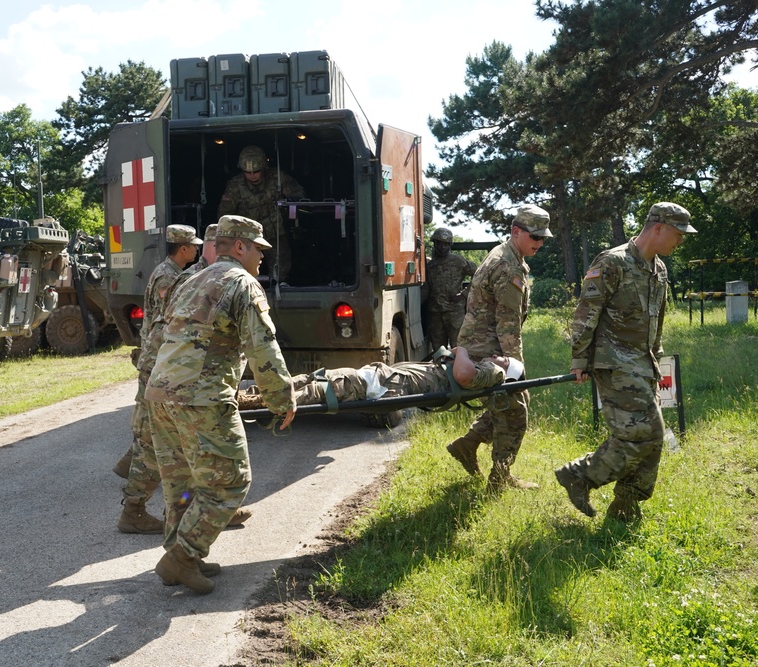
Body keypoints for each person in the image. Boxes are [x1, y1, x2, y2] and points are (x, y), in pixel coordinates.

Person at [145, 215, 296, 594]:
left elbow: (163, 333)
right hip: (201, 398)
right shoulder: (242, 283)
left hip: (161, 394)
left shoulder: (192, 279)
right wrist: (281, 398)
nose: (262, 257)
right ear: (240, 247)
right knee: (231, 481)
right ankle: (181, 558)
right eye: (258, 249)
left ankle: (184, 555)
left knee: (182, 482)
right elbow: (261, 346)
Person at [554, 202, 696, 522]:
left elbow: (656, 320)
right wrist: (579, 359)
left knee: (650, 438)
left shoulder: (659, 269)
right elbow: (586, 312)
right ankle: (580, 475)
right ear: (658, 228)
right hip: (613, 360)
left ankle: (625, 508)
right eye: (678, 233)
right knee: (646, 431)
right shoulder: (612, 262)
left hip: (644, 364)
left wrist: (656, 361)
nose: (681, 241)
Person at [447, 204, 553, 492]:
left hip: (482, 345)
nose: (540, 243)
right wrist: (515, 366)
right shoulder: (507, 265)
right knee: (516, 411)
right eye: (535, 237)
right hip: (488, 350)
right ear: (516, 231)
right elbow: (507, 322)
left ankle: (466, 445)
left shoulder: (508, 255)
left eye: (543, 238)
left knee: (506, 407)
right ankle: (500, 478)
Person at [115, 224, 202, 534]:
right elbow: (171, 323)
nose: (197, 249)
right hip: (160, 365)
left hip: (159, 362)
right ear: (183, 248)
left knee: (161, 440)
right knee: (156, 442)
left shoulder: (167, 272)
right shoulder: (170, 277)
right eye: (194, 246)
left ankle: (189, 506)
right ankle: (137, 509)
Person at [237, 346, 517, 411]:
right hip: (386, 380)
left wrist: (463, 351)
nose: (497, 356)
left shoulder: (495, 375)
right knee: (322, 378)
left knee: (324, 388)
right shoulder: (487, 372)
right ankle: (249, 396)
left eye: (503, 358)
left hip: (387, 384)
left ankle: (253, 401)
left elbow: (464, 375)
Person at [216, 145, 306, 281]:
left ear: (264, 167)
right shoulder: (235, 185)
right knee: (243, 272)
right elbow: (225, 215)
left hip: (275, 235)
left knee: (280, 271)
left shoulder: (278, 178)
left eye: (256, 171)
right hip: (246, 238)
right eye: (247, 172)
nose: (252, 176)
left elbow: (299, 195)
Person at [422, 227, 477, 350]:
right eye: (439, 243)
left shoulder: (458, 261)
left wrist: (464, 294)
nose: (442, 247)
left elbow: (479, 274)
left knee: (459, 349)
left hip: (455, 313)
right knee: (438, 351)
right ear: (435, 244)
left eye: (446, 244)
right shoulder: (430, 266)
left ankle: (459, 370)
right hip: (436, 314)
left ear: (450, 245)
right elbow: (426, 289)